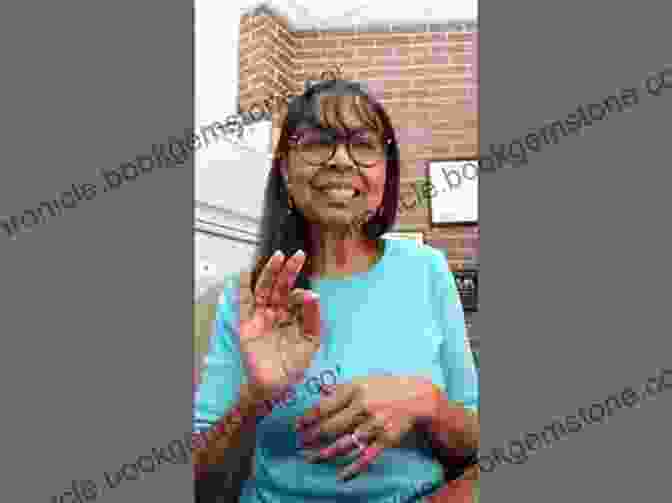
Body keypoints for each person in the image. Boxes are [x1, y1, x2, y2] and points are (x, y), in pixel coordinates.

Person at [192, 79, 480, 502]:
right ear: (286, 171)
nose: (341, 160)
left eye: (362, 144)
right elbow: (201, 486)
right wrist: (256, 397)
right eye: (316, 142)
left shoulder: (427, 270)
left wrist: (426, 402)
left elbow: (474, 443)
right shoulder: (248, 294)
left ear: (386, 172)